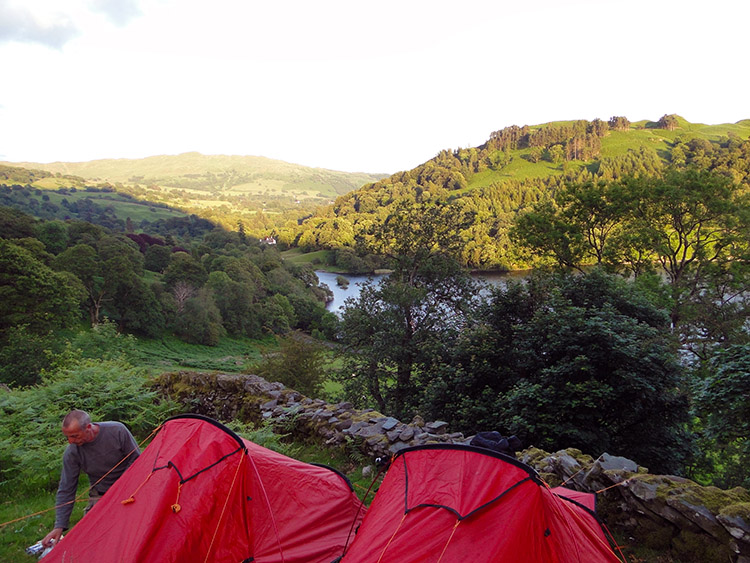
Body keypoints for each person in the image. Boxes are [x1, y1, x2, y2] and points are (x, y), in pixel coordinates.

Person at [41, 410, 140, 548]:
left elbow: (136, 459)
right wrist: (59, 526)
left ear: (88, 428)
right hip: (101, 495)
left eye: (74, 436)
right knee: (92, 540)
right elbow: (66, 488)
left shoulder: (117, 430)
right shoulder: (72, 452)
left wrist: (120, 486)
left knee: (133, 533)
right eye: (68, 437)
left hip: (132, 488)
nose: (71, 441)